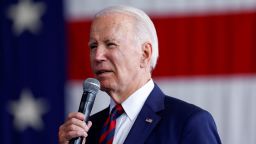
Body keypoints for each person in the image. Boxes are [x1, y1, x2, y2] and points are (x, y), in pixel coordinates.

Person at [58, 5, 222, 144]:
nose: (98, 56)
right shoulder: (87, 131)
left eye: (110, 44)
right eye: (93, 46)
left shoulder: (188, 123)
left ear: (144, 53)